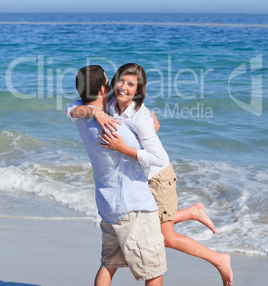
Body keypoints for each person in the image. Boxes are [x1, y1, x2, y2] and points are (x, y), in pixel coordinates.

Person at [71, 63, 233, 286]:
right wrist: (101, 115)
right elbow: (77, 109)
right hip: (135, 195)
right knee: (157, 252)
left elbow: (157, 157)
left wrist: (142, 128)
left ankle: (213, 248)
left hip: (149, 181)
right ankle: (199, 223)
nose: (120, 87)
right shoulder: (111, 116)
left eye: (130, 84)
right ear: (103, 89)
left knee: (147, 243)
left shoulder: (107, 116)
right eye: (115, 81)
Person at [66, 65, 167, 286]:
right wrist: (150, 129)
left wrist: (94, 110)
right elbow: (157, 158)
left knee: (108, 264)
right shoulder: (116, 128)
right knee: (153, 272)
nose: (117, 86)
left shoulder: (82, 114)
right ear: (103, 89)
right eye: (110, 82)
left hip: (107, 205)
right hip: (134, 206)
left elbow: (71, 108)